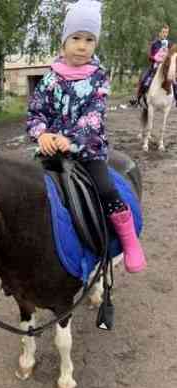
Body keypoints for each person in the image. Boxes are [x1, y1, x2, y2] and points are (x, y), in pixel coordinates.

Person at [27, 0, 146, 273]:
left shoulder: (98, 78)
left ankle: (128, 241)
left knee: (107, 189)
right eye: (76, 38)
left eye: (89, 39)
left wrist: (71, 139)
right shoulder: (49, 79)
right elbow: (35, 113)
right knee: (24, 187)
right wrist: (42, 134)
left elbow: (93, 117)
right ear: (64, 42)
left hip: (87, 149)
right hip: (50, 149)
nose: (82, 45)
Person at [131, 24, 177, 106]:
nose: (165, 34)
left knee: (174, 80)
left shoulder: (170, 44)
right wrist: (155, 58)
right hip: (155, 65)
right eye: (163, 32)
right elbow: (149, 55)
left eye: (166, 32)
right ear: (159, 33)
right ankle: (137, 97)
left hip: (166, 66)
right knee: (144, 77)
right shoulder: (154, 43)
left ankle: (175, 98)